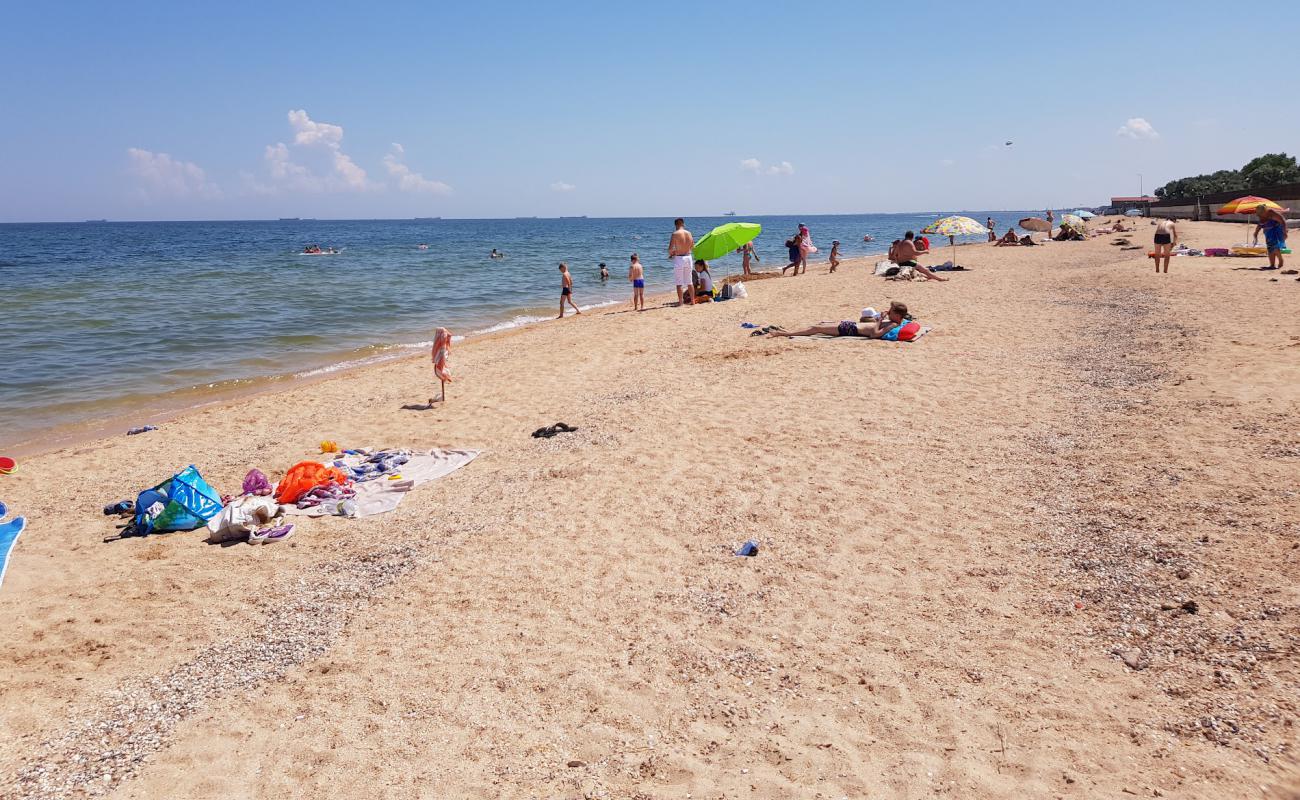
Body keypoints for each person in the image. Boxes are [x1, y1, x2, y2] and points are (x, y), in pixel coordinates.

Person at [768, 301, 910, 339]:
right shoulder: (896, 321)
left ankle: (783, 334)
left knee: (816, 328)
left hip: (850, 330)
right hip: (852, 325)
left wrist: (880, 319)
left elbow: (874, 333)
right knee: (821, 324)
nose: (888, 312)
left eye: (891, 311)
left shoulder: (892, 324)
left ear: (897, 315)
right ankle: (788, 332)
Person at [668, 218, 695, 305]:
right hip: (688, 257)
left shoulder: (675, 234)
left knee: (679, 282)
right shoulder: (689, 233)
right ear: (683, 224)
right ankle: (693, 301)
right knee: (689, 281)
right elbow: (692, 246)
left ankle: (681, 302)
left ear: (676, 225)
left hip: (679, 258)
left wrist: (672, 253)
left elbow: (670, 249)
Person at [1253, 205, 1288, 270]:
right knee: (1270, 248)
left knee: (1274, 246)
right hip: (1268, 232)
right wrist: (1255, 234)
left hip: (1277, 230)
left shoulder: (1271, 213)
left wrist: (1285, 231)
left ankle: (1280, 260)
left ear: (1265, 211)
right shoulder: (1261, 216)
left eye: (1261, 214)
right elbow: (1259, 225)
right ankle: (1272, 265)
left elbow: (1282, 221)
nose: (1260, 216)